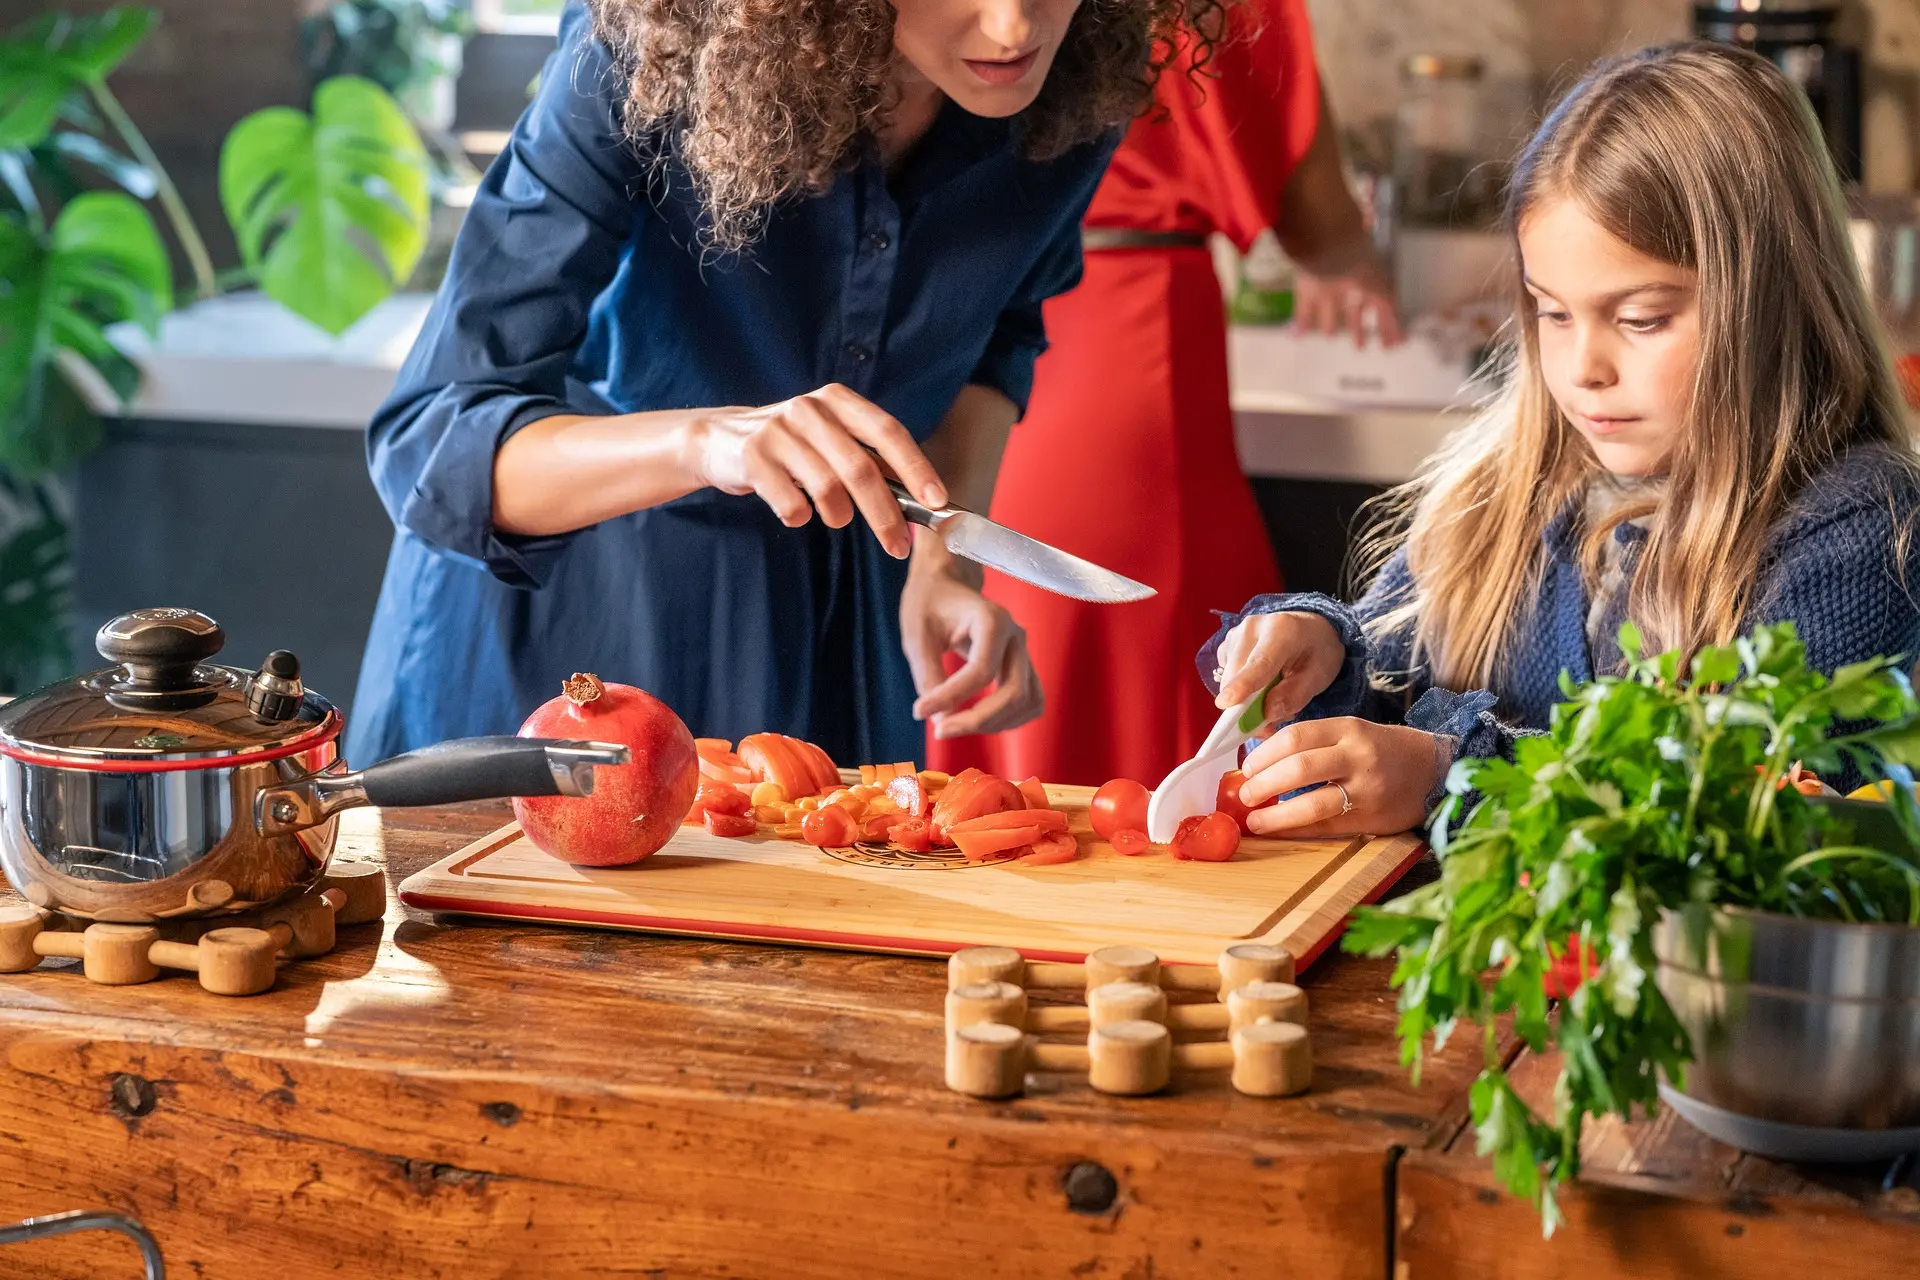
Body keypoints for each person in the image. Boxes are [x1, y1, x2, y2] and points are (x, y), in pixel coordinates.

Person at [347, 0, 1223, 768]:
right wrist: (705, 440)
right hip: (565, 633)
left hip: (833, 640)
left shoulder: (1070, 89)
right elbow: (433, 442)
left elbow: (998, 340)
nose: (1012, 25)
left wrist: (941, 566)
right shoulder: (647, 47)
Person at [1205, 40, 1920, 836]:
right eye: (1552, 311)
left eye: (1642, 318)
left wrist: (1453, 777)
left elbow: (1747, 816)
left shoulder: (1863, 527)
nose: (1583, 368)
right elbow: (1388, 694)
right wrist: (1325, 654)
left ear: (1771, 304)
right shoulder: (1499, 492)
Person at [924, 0, 1399, 787]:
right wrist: (1361, 269)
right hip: (1130, 342)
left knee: (1012, 647)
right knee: (1173, 664)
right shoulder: (1227, 7)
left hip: (967, 328)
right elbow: (1319, 227)